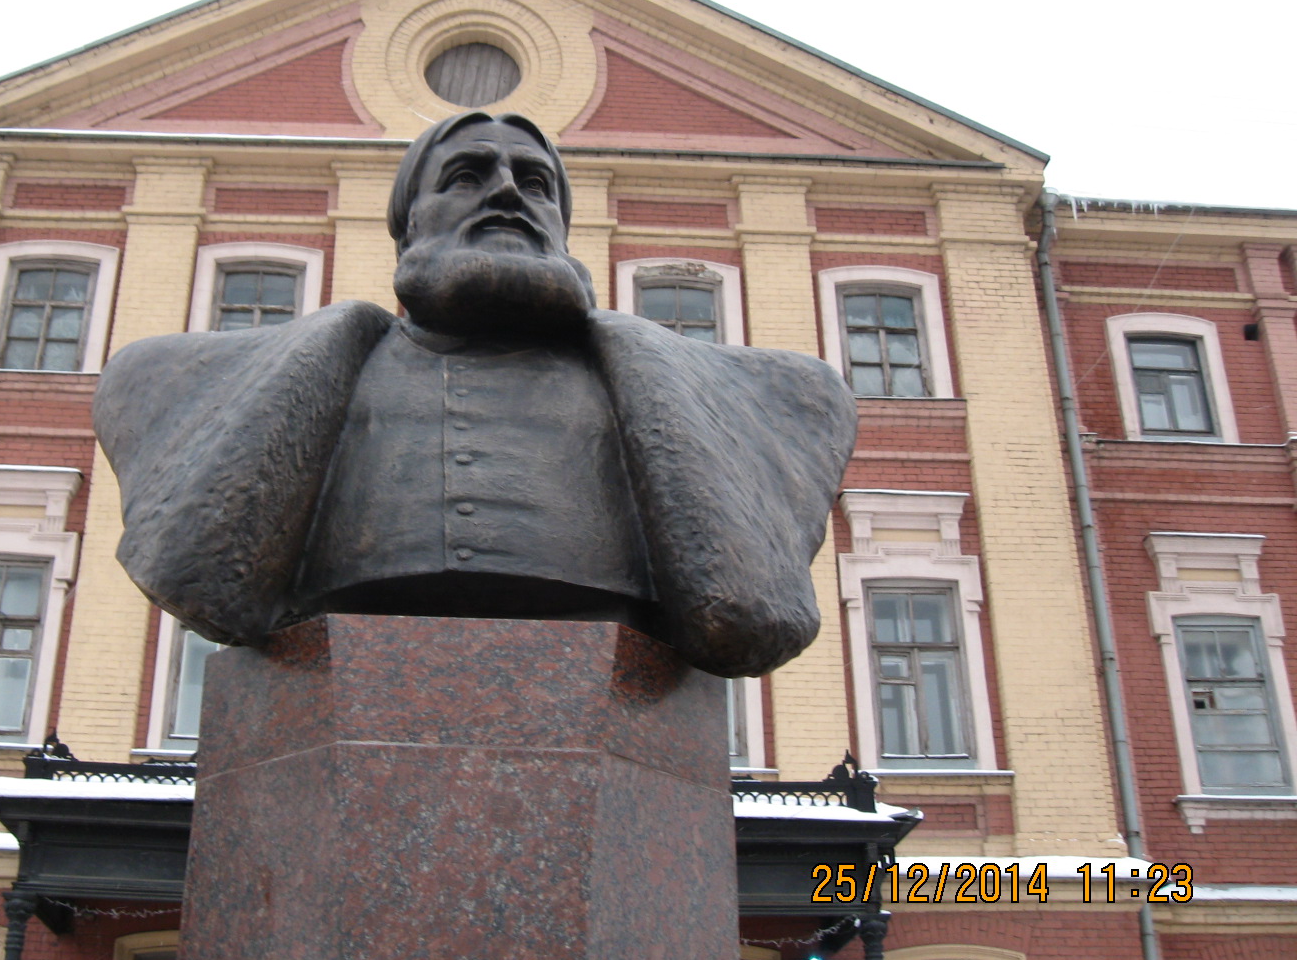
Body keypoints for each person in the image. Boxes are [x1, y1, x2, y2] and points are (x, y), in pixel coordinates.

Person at [94, 112, 856, 677]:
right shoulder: (174, 382)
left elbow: (744, 618)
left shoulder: (771, 398)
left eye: (536, 184)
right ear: (407, 227)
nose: (507, 193)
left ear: (562, 228)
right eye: (467, 176)